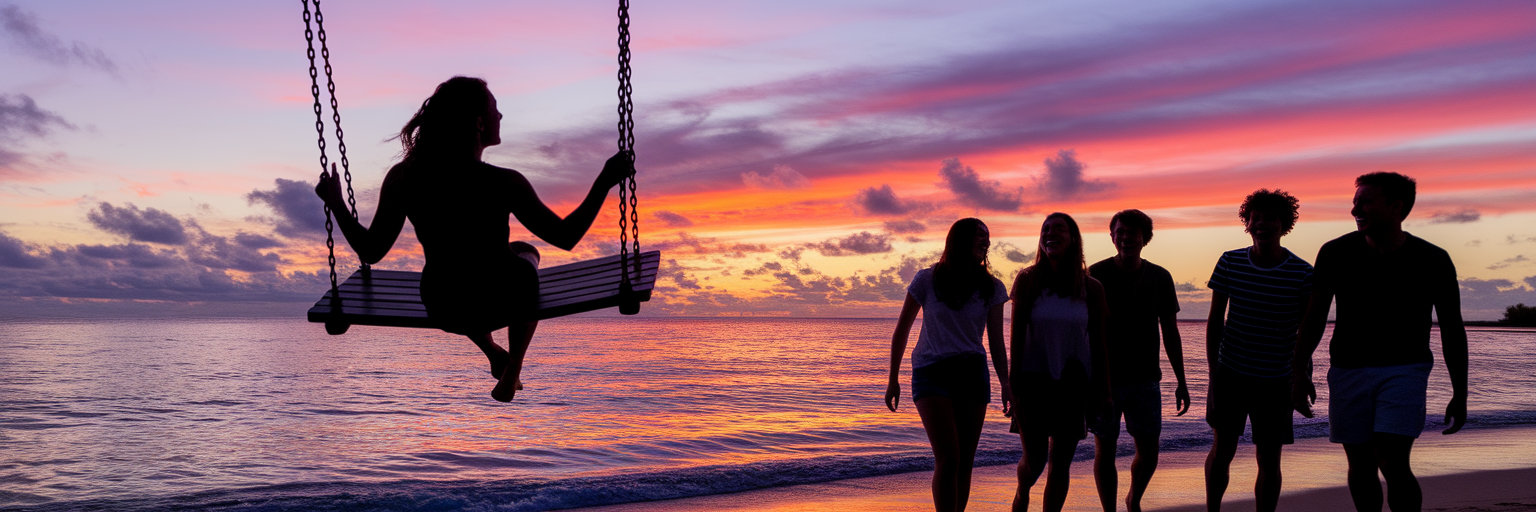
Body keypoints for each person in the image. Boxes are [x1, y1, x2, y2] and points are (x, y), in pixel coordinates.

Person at [314, 76, 633, 402]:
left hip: (444, 306)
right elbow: (566, 237)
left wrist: (336, 201)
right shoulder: (503, 182)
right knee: (527, 258)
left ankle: (493, 351)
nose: (501, 116)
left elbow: (371, 250)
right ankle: (513, 368)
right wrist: (604, 181)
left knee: (464, 273)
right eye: (495, 109)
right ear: (479, 123)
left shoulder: (404, 177)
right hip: (503, 300)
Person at [1292, 172, 1468, 512]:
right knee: (1360, 464)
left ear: (1396, 207)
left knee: (1391, 459)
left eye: (1366, 201)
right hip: (1347, 370)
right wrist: (1298, 374)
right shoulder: (1335, 252)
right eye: (1355, 201)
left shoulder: (1433, 259)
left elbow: (1452, 329)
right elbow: (1313, 319)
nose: (1356, 209)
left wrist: (1460, 393)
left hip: (1405, 369)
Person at [887, 218, 1012, 512]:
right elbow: (901, 329)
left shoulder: (992, 287)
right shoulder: (927, 280)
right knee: (949, 457)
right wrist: (893, 378)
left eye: (987, 236)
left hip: (972, 373)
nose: (985, 241)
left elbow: (996, 341)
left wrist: (1006, 383)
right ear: (959, 240)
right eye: (978, 236)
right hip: (932, 372)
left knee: (965, 460)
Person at [1203, 189, 1313, 512]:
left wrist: (1301, 377)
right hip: (1231, 373)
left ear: (1284, 224)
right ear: (1247, 222)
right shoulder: (1230, 261)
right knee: (1222, 450)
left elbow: (1306, 332)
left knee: (1268, 456)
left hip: (1276, 379)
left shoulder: (1302, 272)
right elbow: (1214, 323)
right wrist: (1213, 377)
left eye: (1271, 218)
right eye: (1257, 218)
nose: (1262, 224)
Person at [1088, 209, 1190, 512]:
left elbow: (1170, 332)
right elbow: (1084, 329)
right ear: (1112, 236)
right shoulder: (1095, 273)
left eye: (1133, 233)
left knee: (1149, 453)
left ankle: (1134, 498)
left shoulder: (1159, 277)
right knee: (1104, 449)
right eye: (1120, 232)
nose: (1126, 238)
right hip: (1104, 380)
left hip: (1145, 378)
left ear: (1145, 238)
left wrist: (1182, 382)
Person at [1010, 212, 1110, 512]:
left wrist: (1104, 392)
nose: (1050, 233)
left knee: (1061, 462)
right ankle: (1022, 493)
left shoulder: (1091, 287)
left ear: (1073, 238)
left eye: (1058, 229)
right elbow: (1015, 337)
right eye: (1045, 229)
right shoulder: (1027, 280)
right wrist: (1012, 386)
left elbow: (1099, 343)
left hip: (1074, 380)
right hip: (1032, 380)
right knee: (1036, 460)